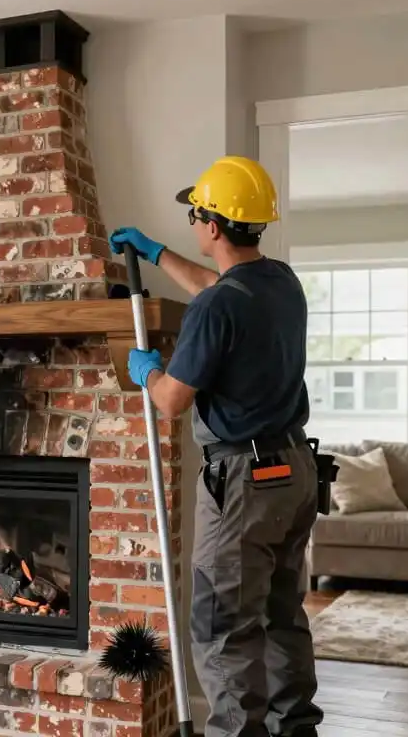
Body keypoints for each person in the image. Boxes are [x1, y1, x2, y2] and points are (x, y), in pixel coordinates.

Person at [110, 156, 323, 737]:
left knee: (223, 627)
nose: (192, 224)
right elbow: (216, 290)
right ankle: (294, 727)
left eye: (194, 214)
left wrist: (148, 373)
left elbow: (174, 402)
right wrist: (155, 254)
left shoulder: (218, 306)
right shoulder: (278, 281)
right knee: (282, 615)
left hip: (244, 484)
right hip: (295, 470)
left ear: (210, 224)